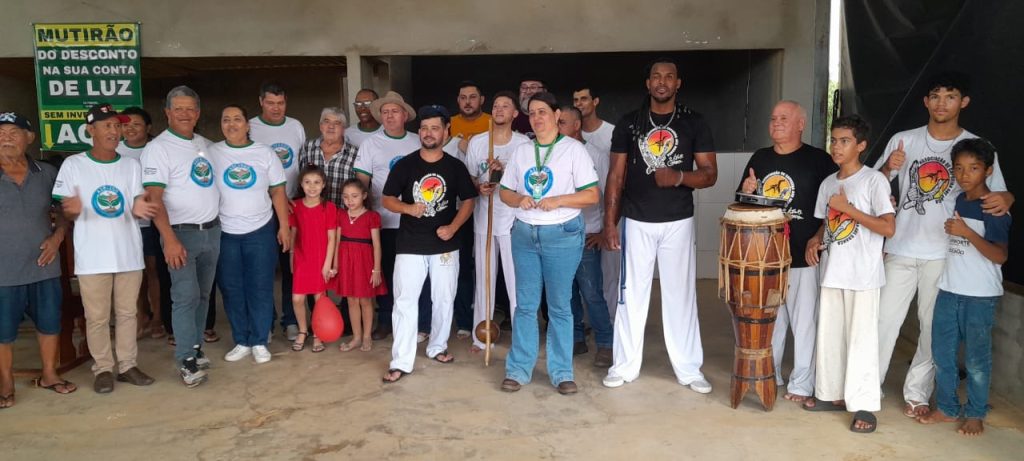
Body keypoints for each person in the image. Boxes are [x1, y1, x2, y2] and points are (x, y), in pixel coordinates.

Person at [873, 72, 1014, 418]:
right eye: (935, 96)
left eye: (950, 96)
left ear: (963, 102)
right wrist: (888, 169)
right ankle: (866, 388)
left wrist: (1009, 197)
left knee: (931, 331)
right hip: (901, 246)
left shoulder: (977, 144)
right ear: (925, 101)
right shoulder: (903, 140)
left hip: (944, 253)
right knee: (881, 322)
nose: (941, 103)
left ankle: (917, 394)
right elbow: (871, 186)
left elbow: (997, 195)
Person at [601, 58, 717, 393]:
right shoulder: (629, 123)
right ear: (648, 83)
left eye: (669, 77)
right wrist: (610, 223)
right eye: (656, 77)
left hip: (678, 220)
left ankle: (689, 369)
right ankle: (624, 366)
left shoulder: (694, 122)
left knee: (681, 296)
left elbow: (710, 174)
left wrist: (679, 176)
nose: (662, 82)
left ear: (678, 83)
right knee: (630, 296)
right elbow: (615, 176)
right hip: (636, 220)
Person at [499, 93, 600, 395]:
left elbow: (591, 195)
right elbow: (504, 192)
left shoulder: (573, 150)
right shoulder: (522, 151)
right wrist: (519, 198)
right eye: (532, 113)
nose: (537, 118)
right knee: (525, 305)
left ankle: (561, 372)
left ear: (556, 115)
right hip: (525, 234)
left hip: (562, 234)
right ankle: (518, 369)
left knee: (559, 306)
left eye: (542, 111)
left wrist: (558, 200)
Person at [53, 104, 158, 393]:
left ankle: (127, 365)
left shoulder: (130, 166)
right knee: (97, 317)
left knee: (127, 314)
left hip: (127, 252)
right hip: (93, 256)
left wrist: (139, 208)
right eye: (107, 126)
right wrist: (71, 210)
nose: (115, 131)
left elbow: (136, 202)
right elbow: (64, 209)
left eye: (117, 126)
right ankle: (102, 368)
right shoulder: (74, 165)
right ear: (91, 130)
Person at [737, 100, 836, 402]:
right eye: (773, 118)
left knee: (805, 324)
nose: (776, 122)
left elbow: (835, 206)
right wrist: (747, 191)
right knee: (771, 321)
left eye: (784, 118)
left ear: (800, 124)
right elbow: (742, 203)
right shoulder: (760, 157)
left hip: (803, 256)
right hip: (766, 257)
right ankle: (771, 375)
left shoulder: (819, 160)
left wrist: (818, 237)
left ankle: (802, 384)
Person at [803, 114, 895, 434]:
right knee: (830, 337)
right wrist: (815, 239)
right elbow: (826, 223)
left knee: (861, 342)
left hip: (862, 275)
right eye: (834, 140)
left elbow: (888, 227)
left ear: (861, 145)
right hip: (833, 271)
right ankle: (831, 394)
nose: (837, 146)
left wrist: (849, 209)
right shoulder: (829, 183)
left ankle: (865, 404)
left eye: (845, 141)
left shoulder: (874, 181)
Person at [917, 138, 1010, 437]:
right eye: (959, 168)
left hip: (980, 296)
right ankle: (947, 408)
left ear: (989, 170)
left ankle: (975, 413)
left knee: (976, 360)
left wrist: (967, 232)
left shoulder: (994, 208)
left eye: (974, 168)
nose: (965, 174)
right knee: (942, 354)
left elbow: (1000, 255)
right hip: (950, 289)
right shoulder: (958, 200)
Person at [380, 105, 477, 383]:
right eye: (424, 128)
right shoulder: (406, 164)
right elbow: (387, 198)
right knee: (404, 301)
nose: (429, 133)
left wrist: (454, 227)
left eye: (435, 128)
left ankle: (437, 346)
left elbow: (469, 200)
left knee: (444, 298)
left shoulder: (455, 166)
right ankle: (401, 360)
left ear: (446, 131)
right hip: (410, 243)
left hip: (445, 244)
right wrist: (408, 208)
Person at [142, 86, 219, 387]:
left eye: (190, 109)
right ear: (167, 113)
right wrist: (169, 239)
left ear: (197, 113)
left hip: (211, 231)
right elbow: (153, 198)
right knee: (185, 297)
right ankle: (185, 359)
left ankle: (196, 348)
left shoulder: (203, 144)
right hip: (180, 234)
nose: (185, 114)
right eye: (178, 109)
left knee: (202, 295)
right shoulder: (159, 148)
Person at [1, 112, 78, 407]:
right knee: (3, 331)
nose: (6, 138)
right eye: (1, 133)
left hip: (43, 264)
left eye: (13, 132)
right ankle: (5, 382)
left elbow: (62, 211)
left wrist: (58, 237)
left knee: (49, 322)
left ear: (29, 138)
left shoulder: (46, 173)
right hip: (4, 270)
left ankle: (49, 374)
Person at [208, 105, 291, 365]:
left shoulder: (264, 153)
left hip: (260, 230)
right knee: (231, 288)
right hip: (225, 231)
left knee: (260, 286)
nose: (231, 124)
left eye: (237, 119)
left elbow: (278, 191)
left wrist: (284, 226)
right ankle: (241, 340)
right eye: (226, 119)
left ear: (247, 125)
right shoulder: (211, 153)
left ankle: (259, 340)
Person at [464, 90, 529, 353]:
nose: (499, 109)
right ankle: (481, 336)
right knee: (484, 278)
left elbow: (529, 183)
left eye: (505, 106)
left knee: (517, 281)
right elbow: (470, 177)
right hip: (485, 219)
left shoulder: (524, 144)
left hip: (514, 221)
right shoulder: (479, 142)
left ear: (515, 113)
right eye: (496, 105)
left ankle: (522, 338)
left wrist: (504, 172)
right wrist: (479, 187)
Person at [354, 91, 421, 340]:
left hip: (414, 220)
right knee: (383, 271)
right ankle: (385, 320)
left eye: (394, 111)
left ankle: (414, 321)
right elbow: (362, 182)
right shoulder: (371, 144)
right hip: (382, 221)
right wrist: (365, 216)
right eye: (385, 112)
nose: (390, 116)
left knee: (412, 275)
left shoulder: (417, 141)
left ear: (404, 115)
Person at [250, 81, 306, 342]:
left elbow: (301, 163)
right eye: (270, 103)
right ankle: (267, 321)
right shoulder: (251, 127)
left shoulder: (295, 126)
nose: (276, 108)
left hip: (292, 206)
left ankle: (291, 320)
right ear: (261, 102)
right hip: (261, 209)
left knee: (291, 266)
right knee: (263, 268)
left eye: (280, 103)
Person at [557, 105, 613, 367]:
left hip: (587, 233)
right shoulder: (553, 154)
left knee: (591, 292)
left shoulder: (596, 155)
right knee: (566, 292)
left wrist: (604, 230)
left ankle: (606, 343)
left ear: (576, 126)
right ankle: (576, 337)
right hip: (559, 233)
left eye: (562, 123)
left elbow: (609, 194)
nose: (557, 128)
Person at [117, 106, 170, 340]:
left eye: (136, 124)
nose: (130, 129)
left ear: (148, 127)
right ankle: (141, 314)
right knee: (134, 272)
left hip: (152, 222)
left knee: (153, 270)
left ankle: (158, 316)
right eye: (125, 125)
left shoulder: (157, 149)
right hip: (125, 224)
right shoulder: (116, 151)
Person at [574, 85, 619, 310]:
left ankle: (610, 322)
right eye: (576, 100)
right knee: (585, 281)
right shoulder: (569, 142)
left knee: (610, 275)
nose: (579, 103)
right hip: (582, 225)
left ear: (596, 101)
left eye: (584, 98)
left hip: (609, 219)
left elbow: (615, 185)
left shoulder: (611, 133)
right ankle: (587, 322)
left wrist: (608, 227)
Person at [288, 165, 338, 352]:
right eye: (307, 182)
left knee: (320, 299)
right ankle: (303, 330)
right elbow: (293, 233)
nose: (312, 186)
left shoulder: (329, 207)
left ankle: (318, 333)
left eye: (317, 182)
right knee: (297, 299)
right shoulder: (296, 206)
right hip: (301, 258)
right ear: (301, 184)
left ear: (323, 185)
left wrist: (327, 264)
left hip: (320, 259)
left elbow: (332, 238)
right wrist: (291, 256)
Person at [334, 179, 386, 352]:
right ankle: (356, 337)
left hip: (365, 262)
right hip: (346, 261)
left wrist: (376, 269)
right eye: (346, 196)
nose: (350, 200)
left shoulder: (372, 216)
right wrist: (336, 265)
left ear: (364, 196)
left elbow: (377, 245)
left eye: (354, 196)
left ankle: (366, 336)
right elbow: (337, 242)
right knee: (351, 300)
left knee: (365, 300)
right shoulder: (341, 215)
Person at [299, 108, 359, 208]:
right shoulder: (307, 147)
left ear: (343, 129)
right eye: (326, 122)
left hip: (342, 213)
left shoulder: (355, 153)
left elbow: (359, 187)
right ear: (321, 126)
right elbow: (300, 177)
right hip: (311, 212)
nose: (331, 126)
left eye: (337, 123)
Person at [450, 80, 491, 154]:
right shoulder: (448, 123)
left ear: (482, 100)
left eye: (472, 97)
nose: (467, 102)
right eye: (463, 98)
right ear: (458, 100)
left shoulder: (494, 122)